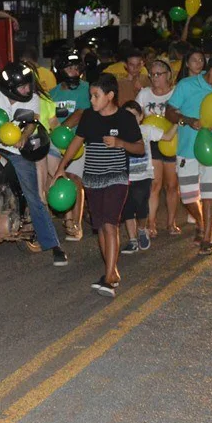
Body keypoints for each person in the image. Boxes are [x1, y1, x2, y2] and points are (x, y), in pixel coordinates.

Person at [0, 61, 68, 266]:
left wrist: (24, 136)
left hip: (18, 152)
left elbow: (31, 122)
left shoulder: (32, 99)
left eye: (28, 84)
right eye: (22, 86)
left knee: (34, 196)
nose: (28, 89)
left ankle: (54, 245)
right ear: (9, 87)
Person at [54, 74, 143, 296]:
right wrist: (61, 167)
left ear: (110, 96)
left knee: (111, 224)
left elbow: (140, 148)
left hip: (116, 177)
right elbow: (76, 142)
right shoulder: (89, 118)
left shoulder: (125, 119)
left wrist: (120, 143)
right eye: (91, 95)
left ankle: (111, 274)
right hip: (92, 178)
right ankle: (110, 272)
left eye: (96, 96)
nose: (91, 100)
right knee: (101, 226)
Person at [165, 51, 212, 256]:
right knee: (188, 197)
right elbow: (169, 112)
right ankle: (201, 222)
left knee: (209, 193)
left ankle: (207, 238)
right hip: (187, 148)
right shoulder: (187, 85)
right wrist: (188, 121)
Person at [119, 100, 176, 254]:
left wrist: (178, 121)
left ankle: (142, 229)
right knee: (127, 208)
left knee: (141, 207)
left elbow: (168, 137)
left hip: (144, 175)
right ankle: (132, 240)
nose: (130, 119)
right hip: (125, 176)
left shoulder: (146, 130)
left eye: (134, 116)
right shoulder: (118, 133)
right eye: (126, 116)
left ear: (141, 116)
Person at [47, 52, 89, 241]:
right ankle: (64, 218)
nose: (73, 72)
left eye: (76, 68)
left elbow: (81, 112)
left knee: (74, 179)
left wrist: (62, 129)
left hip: (78, 141)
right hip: (55, 144)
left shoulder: (85, 89)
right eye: (69, 68)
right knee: (55, 180)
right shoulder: (52, 93)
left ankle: (75, 223)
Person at [136, 59, 181, 237]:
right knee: (154, 184)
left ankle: (171, 222)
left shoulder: (176, 93)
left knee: (171, 185)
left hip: (172, 142)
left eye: (158, 74)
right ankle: (151, 224)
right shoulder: (144, 94)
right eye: (152, 74)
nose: (155, 78)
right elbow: (137, 115)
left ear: (168, 75)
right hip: (152, 143)